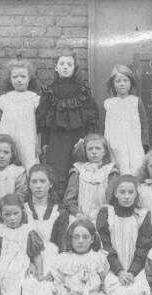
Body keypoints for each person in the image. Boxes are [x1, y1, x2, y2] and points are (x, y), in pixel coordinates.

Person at [97, 175, 152, 295]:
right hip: (112, 268)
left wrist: (132, 271)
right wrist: (119, 270)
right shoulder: (106, 213)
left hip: (135, 270)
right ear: (115, 193)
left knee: (135, 293)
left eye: (131, 192)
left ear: (137, 194)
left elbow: (144, 246)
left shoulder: (143, 215)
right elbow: (104, 244)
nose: (127, 196)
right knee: (115, 294)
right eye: (122, 192)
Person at [16, 164, 70, 295]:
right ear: (29, 185)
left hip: (53, 259)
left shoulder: (60, 211)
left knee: (50, 289)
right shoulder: (21, 210)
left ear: (50, 185)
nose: (38, 186)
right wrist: (29, 261)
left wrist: (53, 270)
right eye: (34, 181)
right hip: (26, 258)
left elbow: (62, 244)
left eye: (42, 181)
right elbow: (19, 238)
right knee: (28, 287)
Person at [36, 52, 99, 197]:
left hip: (78, 139)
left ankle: (74, 203)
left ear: (75, 68)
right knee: (57, 170)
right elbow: (42, 120)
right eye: (62, 64)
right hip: (56, 138)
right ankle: (58, 205)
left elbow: (92, 116)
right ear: (56, 67)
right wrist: (44, 142)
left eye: (69, 64)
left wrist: (86, 139)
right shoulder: (49, 91)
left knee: (77, 170)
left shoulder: (82, 90)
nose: (65, 67)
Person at [0, 57, 41, 171]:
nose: (19, 80)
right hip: (7, 139)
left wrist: (39, 143)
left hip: (28, 140)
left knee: (29, 166)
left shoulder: (34, 99)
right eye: (15, 77)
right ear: (10, 79)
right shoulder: (4, 99)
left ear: (29, 78)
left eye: (23, 76)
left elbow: (40, 125)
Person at [103, 64, 150, 175]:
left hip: (134, 142)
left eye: (125, 80)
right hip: (115, 144)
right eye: (118, 81)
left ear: (131, 83)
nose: (122, 84)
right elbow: (104, 126)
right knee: (118, 169)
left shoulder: (135, 101)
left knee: (136, 169)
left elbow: (144, 124)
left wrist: (145, 143)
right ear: (113, 84)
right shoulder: (108, 103)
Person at [63, 133, 118, 224]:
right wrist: (78, 214)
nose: (94, 152)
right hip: (81, 217)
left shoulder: (110, 171)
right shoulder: (78, 170)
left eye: (98, 148)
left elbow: (113, 198)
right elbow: (69, 199)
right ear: (85, 151)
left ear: (104, 151)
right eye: (90, 149)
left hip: (105, 218)